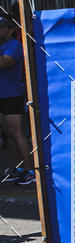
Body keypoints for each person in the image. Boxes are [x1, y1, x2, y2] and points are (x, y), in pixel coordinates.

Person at [0, 17, 33, 185]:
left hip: (12, 94)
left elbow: (4, 63)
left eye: (1, 28)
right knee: (9, 133)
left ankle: (30, 171)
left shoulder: (14, 46)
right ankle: (19, 167)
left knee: (17, 132)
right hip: (3, 95)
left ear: (10, 30)